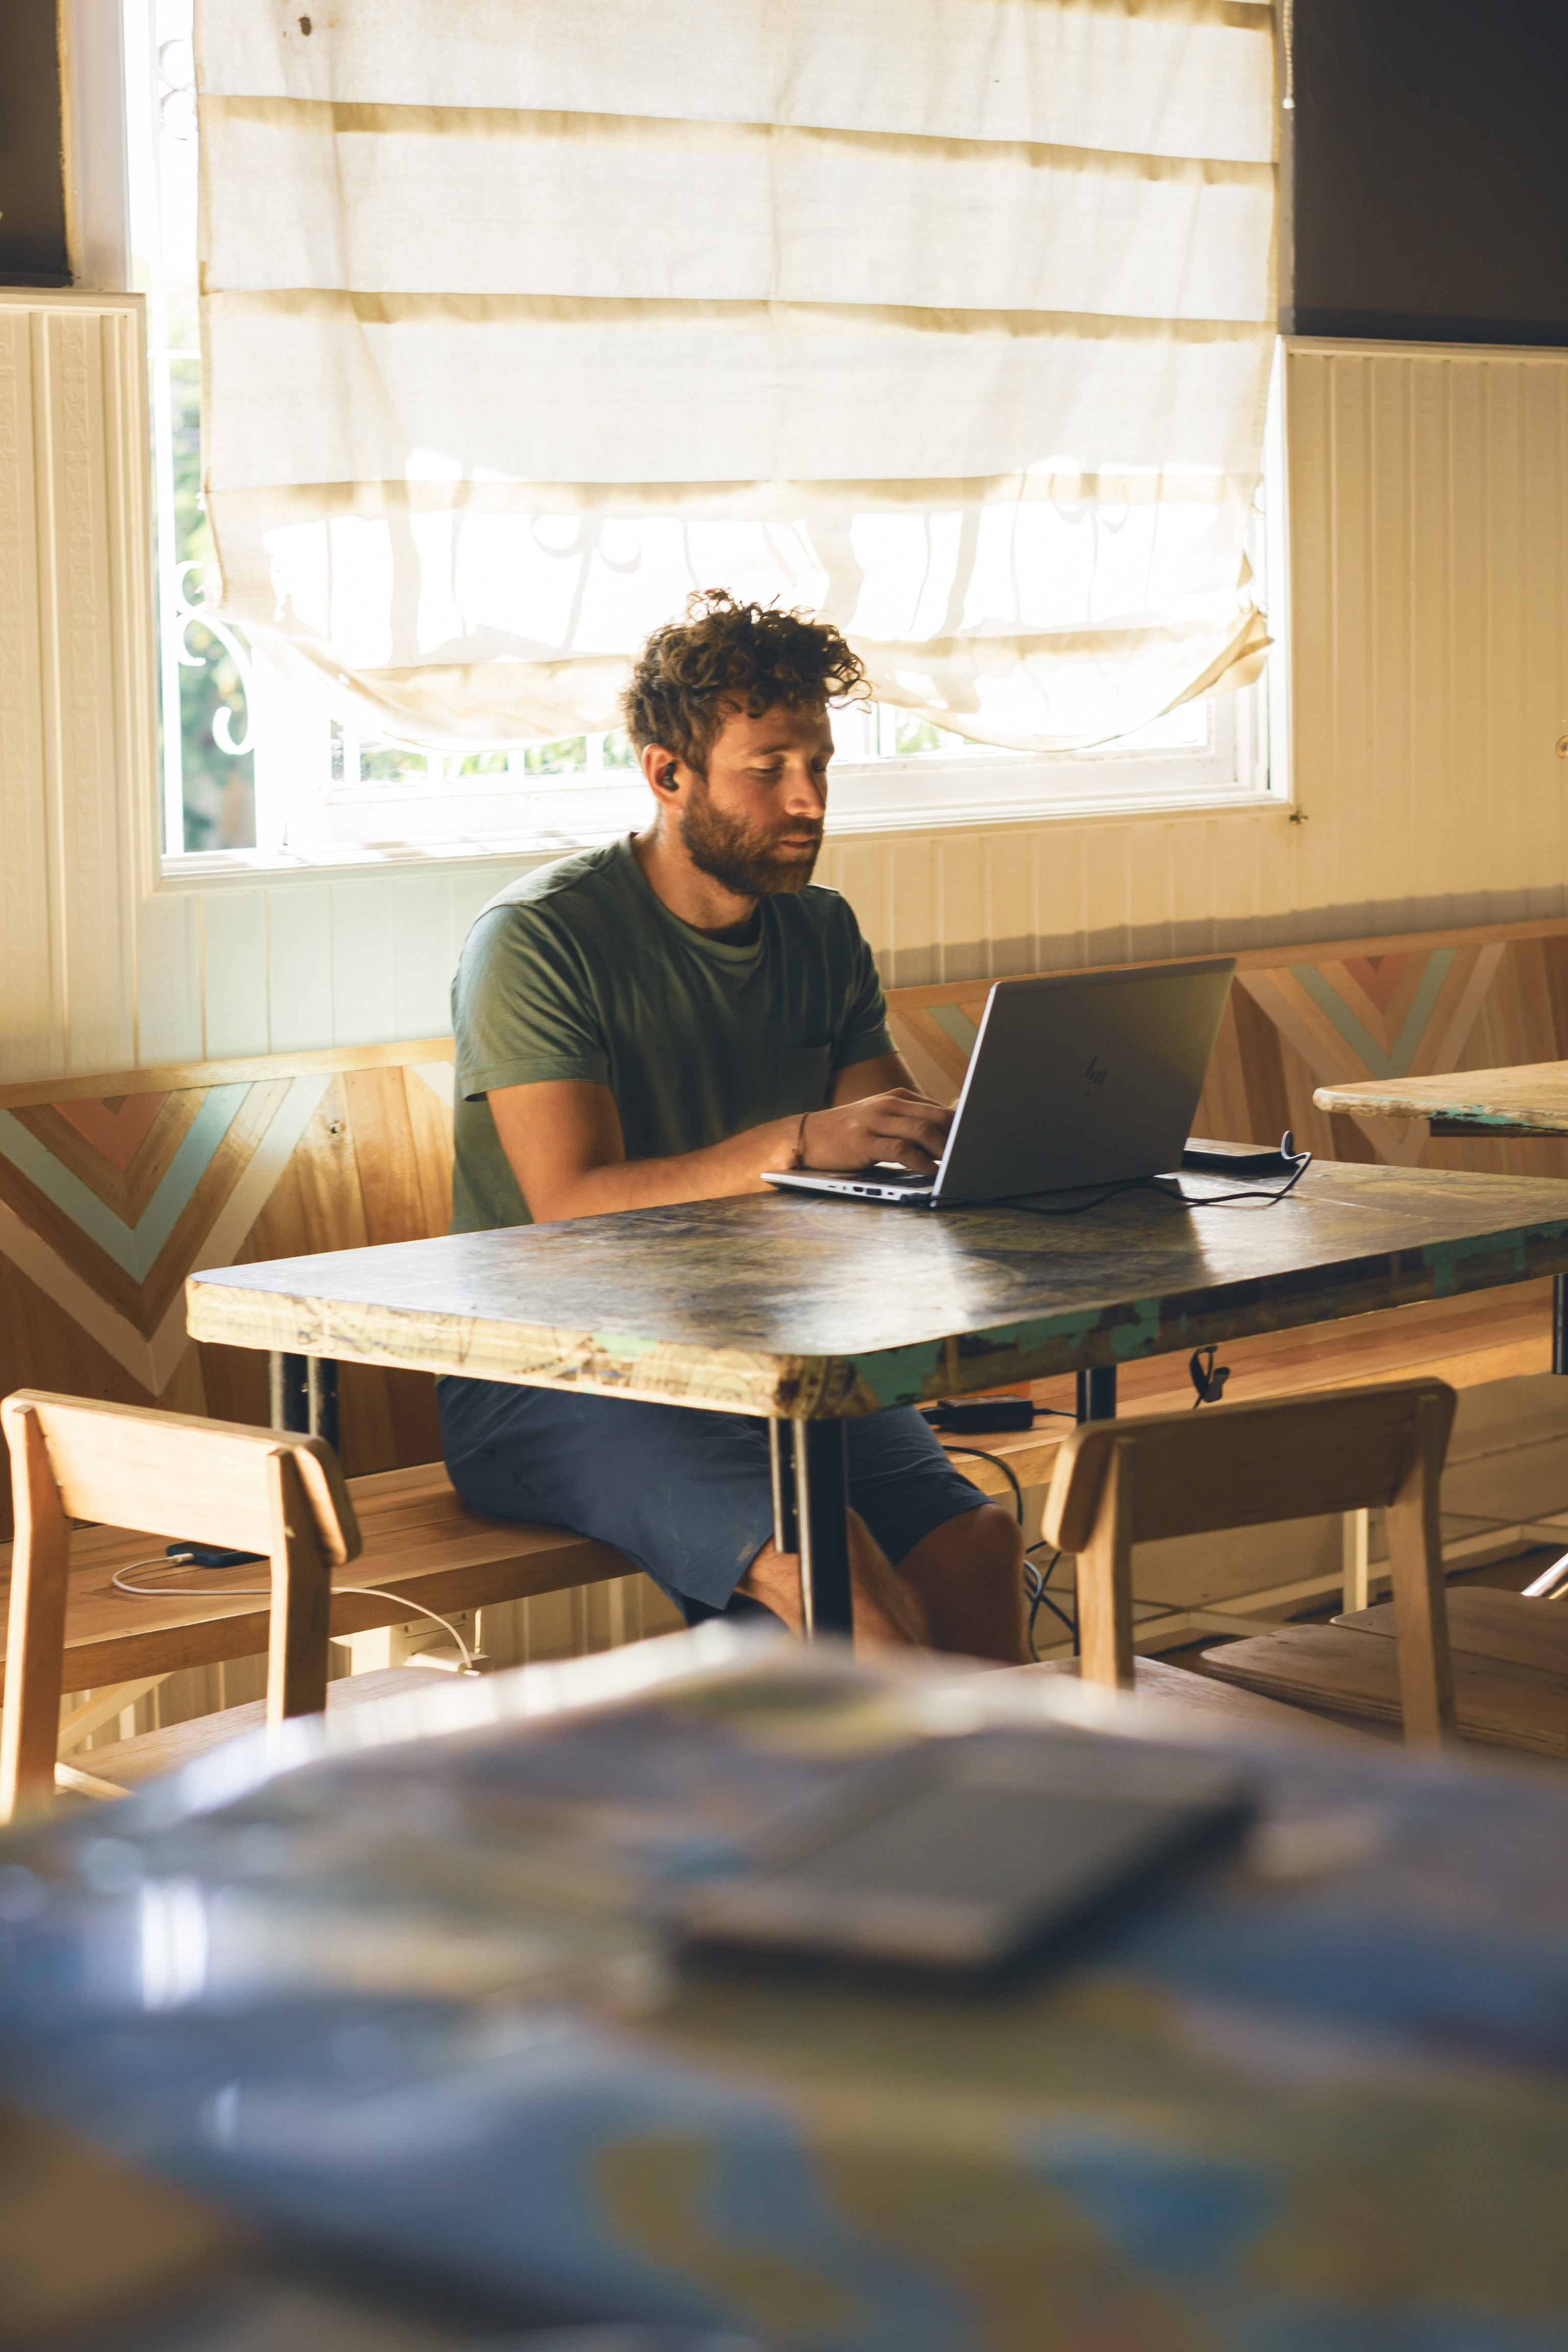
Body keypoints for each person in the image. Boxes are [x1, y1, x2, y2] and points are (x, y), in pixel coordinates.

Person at [437, 591, 1026, 1660]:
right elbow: (568, 1203)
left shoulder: (822, 928)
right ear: (669, 775)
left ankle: (1030, 1825)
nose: (807, 801)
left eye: (822, 765)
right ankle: (901, 1823)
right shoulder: (536, 940)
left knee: (977, 1545)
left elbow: (886, 1146)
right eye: (768, 769)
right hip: (560, 1375)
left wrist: (1003, 1151)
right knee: (833, 1577)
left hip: (774, 1356)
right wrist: (794, 1144)